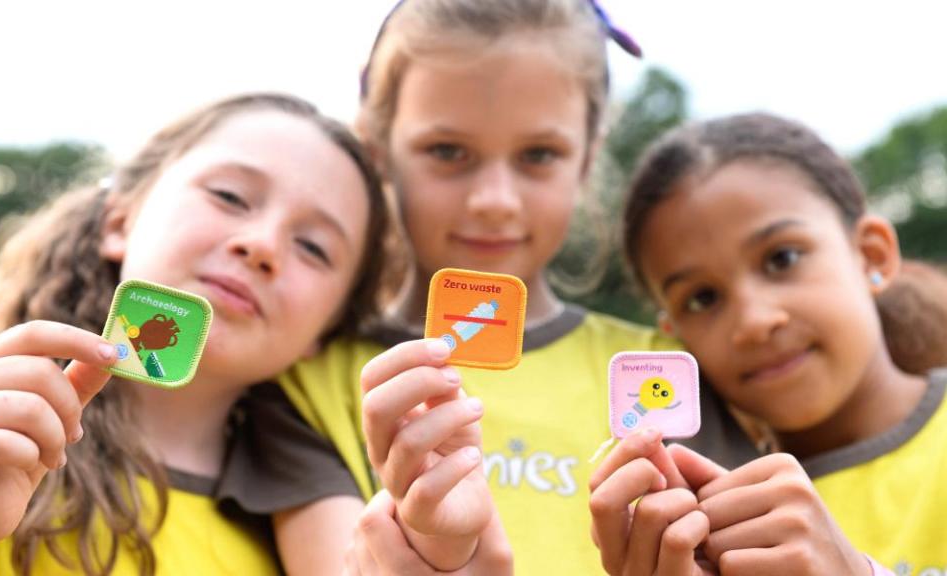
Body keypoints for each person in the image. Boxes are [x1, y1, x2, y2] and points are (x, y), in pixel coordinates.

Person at [236, 2, 759, 574]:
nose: (494, 200)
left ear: (586, 159)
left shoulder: (661, 371)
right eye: (447, 151)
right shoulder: (306, 381)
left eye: (539, 155)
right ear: (377, 149)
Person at [0, 92, 422, 575]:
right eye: (230, 197)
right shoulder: (0, 434)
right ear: (119, 220)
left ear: (325, 332)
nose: (262, 245)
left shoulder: (338, 530)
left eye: (314, 248)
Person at [589, 112, 947, 574]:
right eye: (702, 299)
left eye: (783, 258)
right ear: (673, 336)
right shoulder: (690, 515)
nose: (754, 322)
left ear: (871, 254)